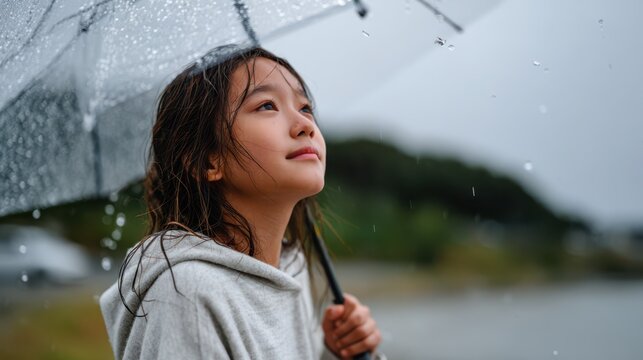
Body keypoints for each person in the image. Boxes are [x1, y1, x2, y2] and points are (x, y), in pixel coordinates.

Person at [99, 45, 383, 360]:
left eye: (304, 107)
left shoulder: (291, 267)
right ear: (208, 161)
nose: (305, 125)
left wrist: (336, 353)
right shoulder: (189, 293)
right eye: (266, 106)